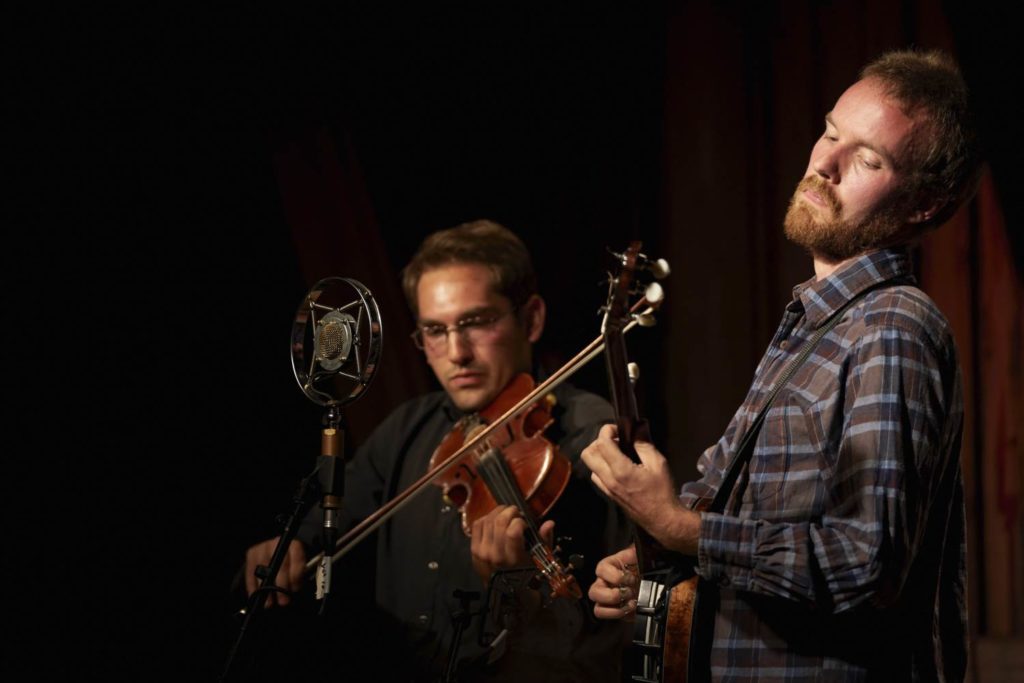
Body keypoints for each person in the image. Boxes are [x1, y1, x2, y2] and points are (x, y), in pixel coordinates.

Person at [582, 48, 981, 681]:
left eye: (867, 159)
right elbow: (753, 533)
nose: (823, 164)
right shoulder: (818, 326)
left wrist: (677, 527)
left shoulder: (892, 326)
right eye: (829, 132)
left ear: (923, 204)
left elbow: (865, 564)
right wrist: (659, 560)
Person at [243, 220, 631, 682]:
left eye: (475, 322)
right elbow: (333, 520)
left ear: (531, 319)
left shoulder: (589, 431)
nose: (456, 352)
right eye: (434, 330)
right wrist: (291, 546)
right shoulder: (405, 430)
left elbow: (603, 637)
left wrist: (517, 591)